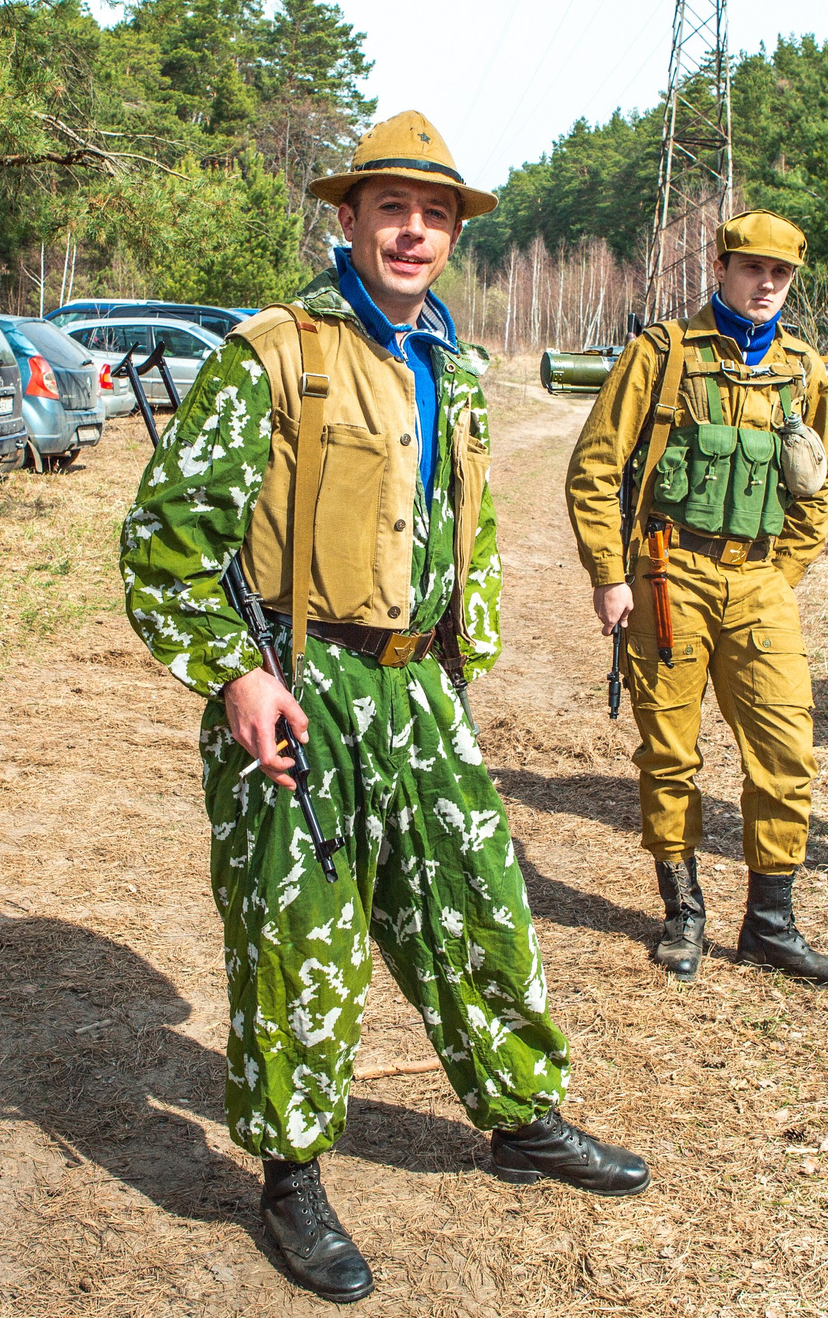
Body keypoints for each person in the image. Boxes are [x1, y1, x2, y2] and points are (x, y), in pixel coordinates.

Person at [120, 110, 646, 1305]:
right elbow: (164, 540)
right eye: (392, 209)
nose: (415, 231)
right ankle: (290, 1176)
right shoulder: (274, 354)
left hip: (417, 688)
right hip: (301, 684)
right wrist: (236, 673)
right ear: (348, 220)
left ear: (454, 234)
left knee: (479, 906)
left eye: (437, 214)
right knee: (299, 939)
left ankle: (520, 1114)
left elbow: (474, 524)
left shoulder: (453, 368)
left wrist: (466, 658)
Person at [563, 210, 828, 987]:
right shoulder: (660, 355)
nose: (765, 284)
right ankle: (682, 912)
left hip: (759, 579)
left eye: (781, 273)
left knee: (786, 754)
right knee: (670, 753)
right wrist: (608, 573)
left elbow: (815, 487)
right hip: (668, 574)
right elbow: (594, 465)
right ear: (720, 266)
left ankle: (770, 923)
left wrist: (780, 572)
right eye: (752, 267)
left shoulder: (803, 369)